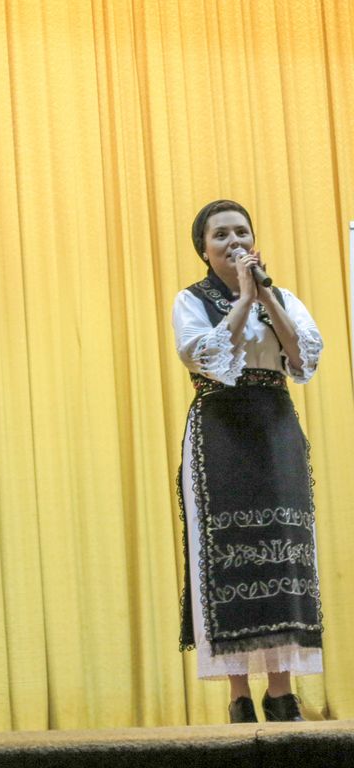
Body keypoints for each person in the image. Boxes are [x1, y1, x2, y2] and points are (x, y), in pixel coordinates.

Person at [175, 199, 324, 723]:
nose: (233, 241)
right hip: (220, 430)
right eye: (220, 235)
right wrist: (241, 300)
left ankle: (281, 691)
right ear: (204, 249)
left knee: (283, 550)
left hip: (275, 427)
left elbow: (302, 359)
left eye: (241, 232)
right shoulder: (190, 300)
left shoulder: (282, 297)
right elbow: (209, 359)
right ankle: (238, 694)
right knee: (227, 553)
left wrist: (265, 297)